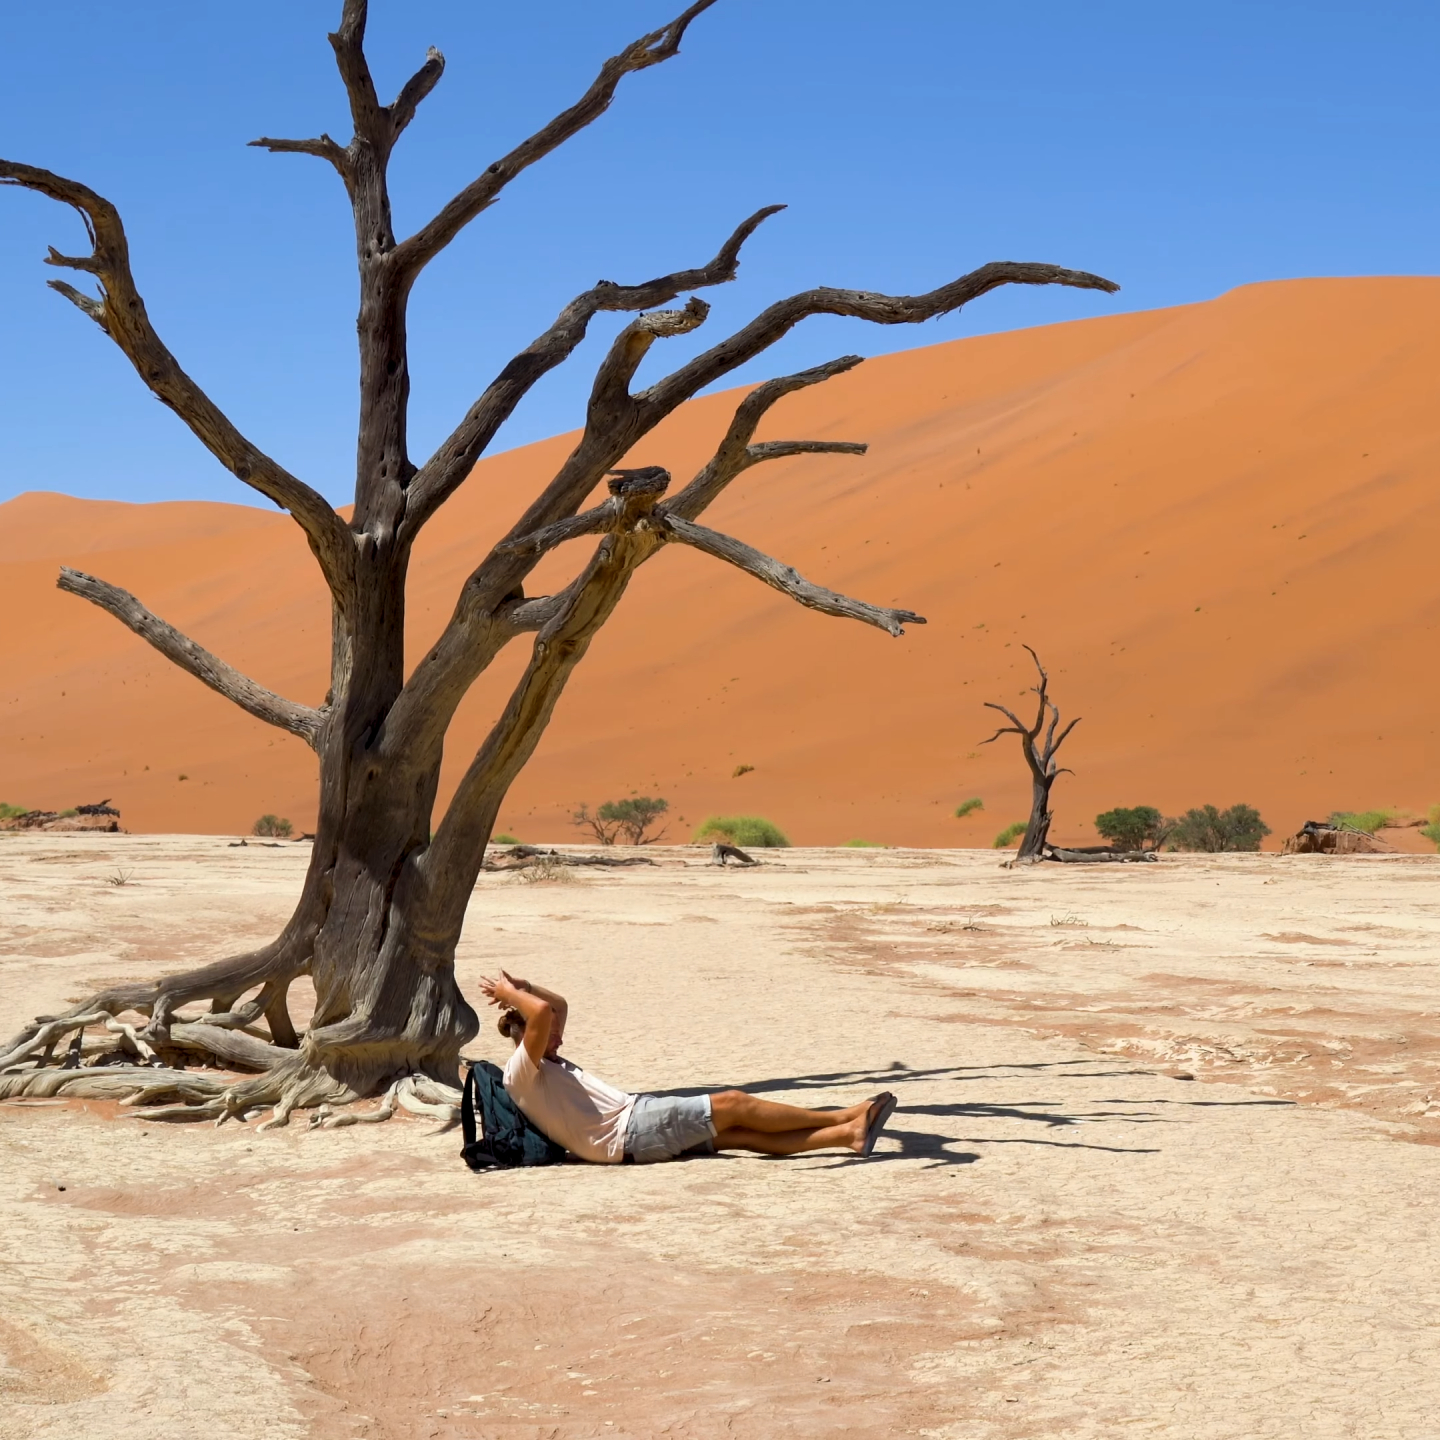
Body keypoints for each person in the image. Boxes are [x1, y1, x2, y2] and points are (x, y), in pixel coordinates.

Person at [478, 970, 897, 1164]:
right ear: (527, 1034)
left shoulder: (542, 1061)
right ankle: (846, 1115)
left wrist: (526, 987)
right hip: (632, 1128)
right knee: (733, 1103)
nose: (561, 1038)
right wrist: (508, 993)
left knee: (739, 1135)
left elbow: (557, 1006)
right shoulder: (521, 1070)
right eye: (551, 1034)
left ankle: (846, 1136)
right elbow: (546, 1013)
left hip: (627, 1138)